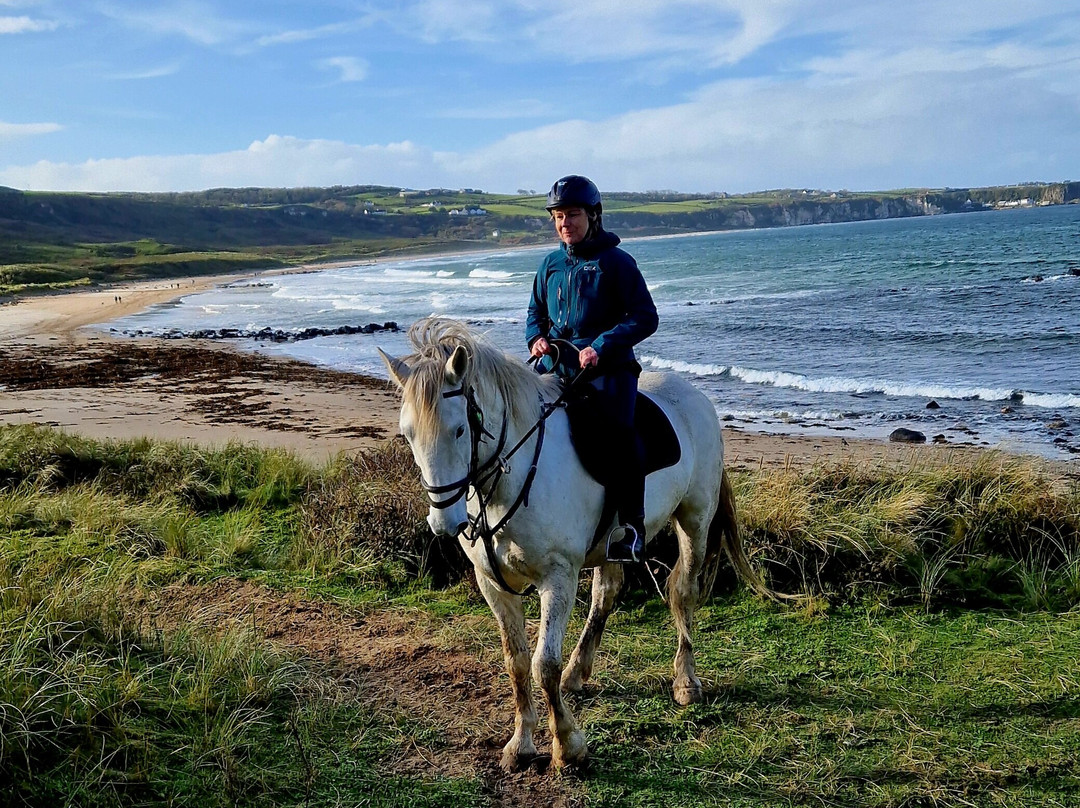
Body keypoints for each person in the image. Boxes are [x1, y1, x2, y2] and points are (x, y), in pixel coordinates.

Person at [525, 175, 658, 563]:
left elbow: (645, 317)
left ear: (593, 216)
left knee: (620, 434)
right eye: (558, 216)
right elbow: (535, 313)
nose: (565, 223)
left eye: (573, 214)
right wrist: (536, 339)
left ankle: (631, 529)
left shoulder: (617, 263)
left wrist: (600, 346)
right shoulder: (549, 265)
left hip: (608, 372)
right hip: (556, 371)